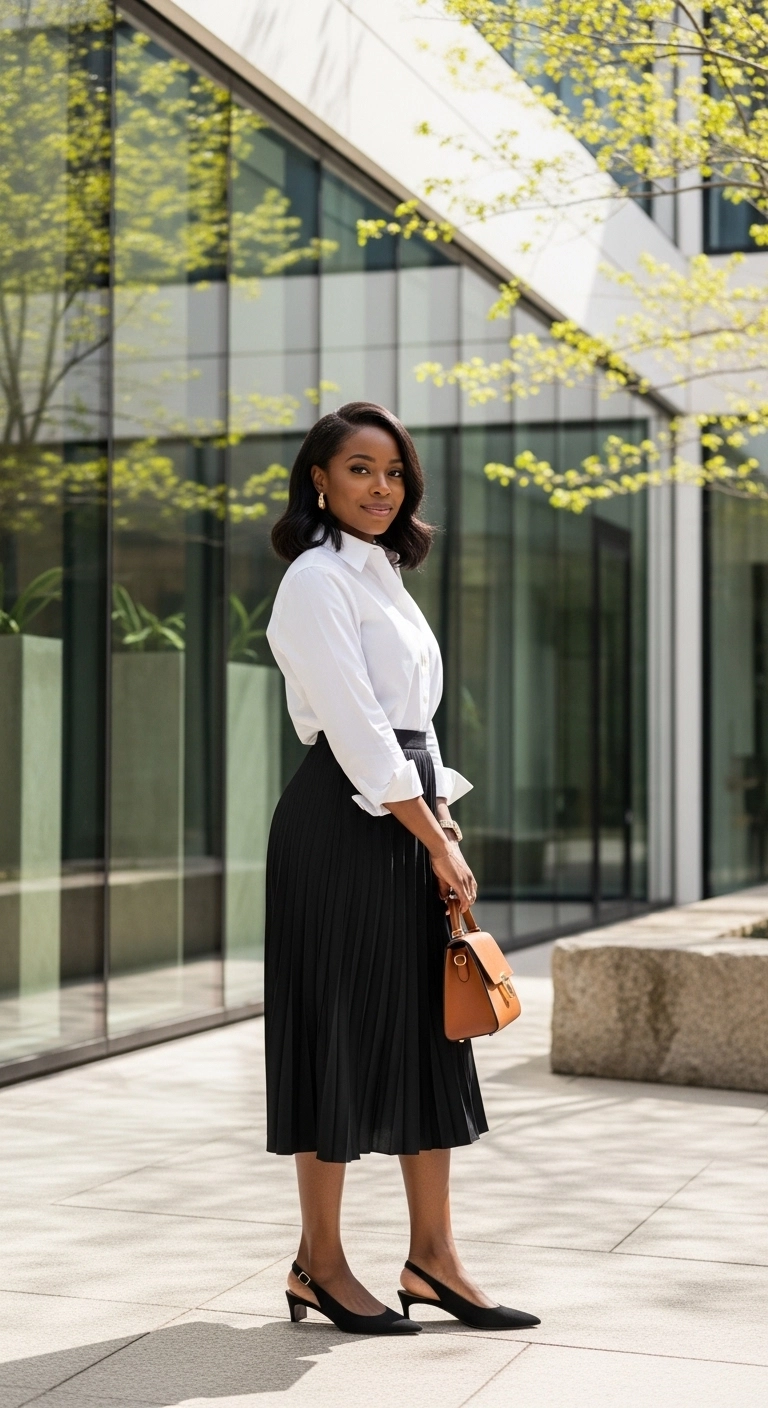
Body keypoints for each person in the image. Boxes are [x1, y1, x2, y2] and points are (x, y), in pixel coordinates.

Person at [265, 401, 540, 1336]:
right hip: (341, 831)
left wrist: (440, 828)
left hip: (407, 817)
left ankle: (435, 1260)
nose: (380, 488)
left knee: (434, 1033)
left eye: (393, 473)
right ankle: (320, 1263)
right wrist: (436, 837)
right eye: (359, 470)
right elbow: (355, 726)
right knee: (335, 1030)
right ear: (320, 479)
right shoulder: (314, 579)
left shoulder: (383, 575)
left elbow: (411, 726)